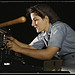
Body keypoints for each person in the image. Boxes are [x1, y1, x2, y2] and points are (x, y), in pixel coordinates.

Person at [7, 4, 75, 74]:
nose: (32, 24)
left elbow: (48, 54)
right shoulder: (44, 34)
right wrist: (13, 40)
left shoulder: (59, 27)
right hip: (67, 62)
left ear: (46, 19)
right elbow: (30, 47)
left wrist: (19, 49)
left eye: (35, 20)